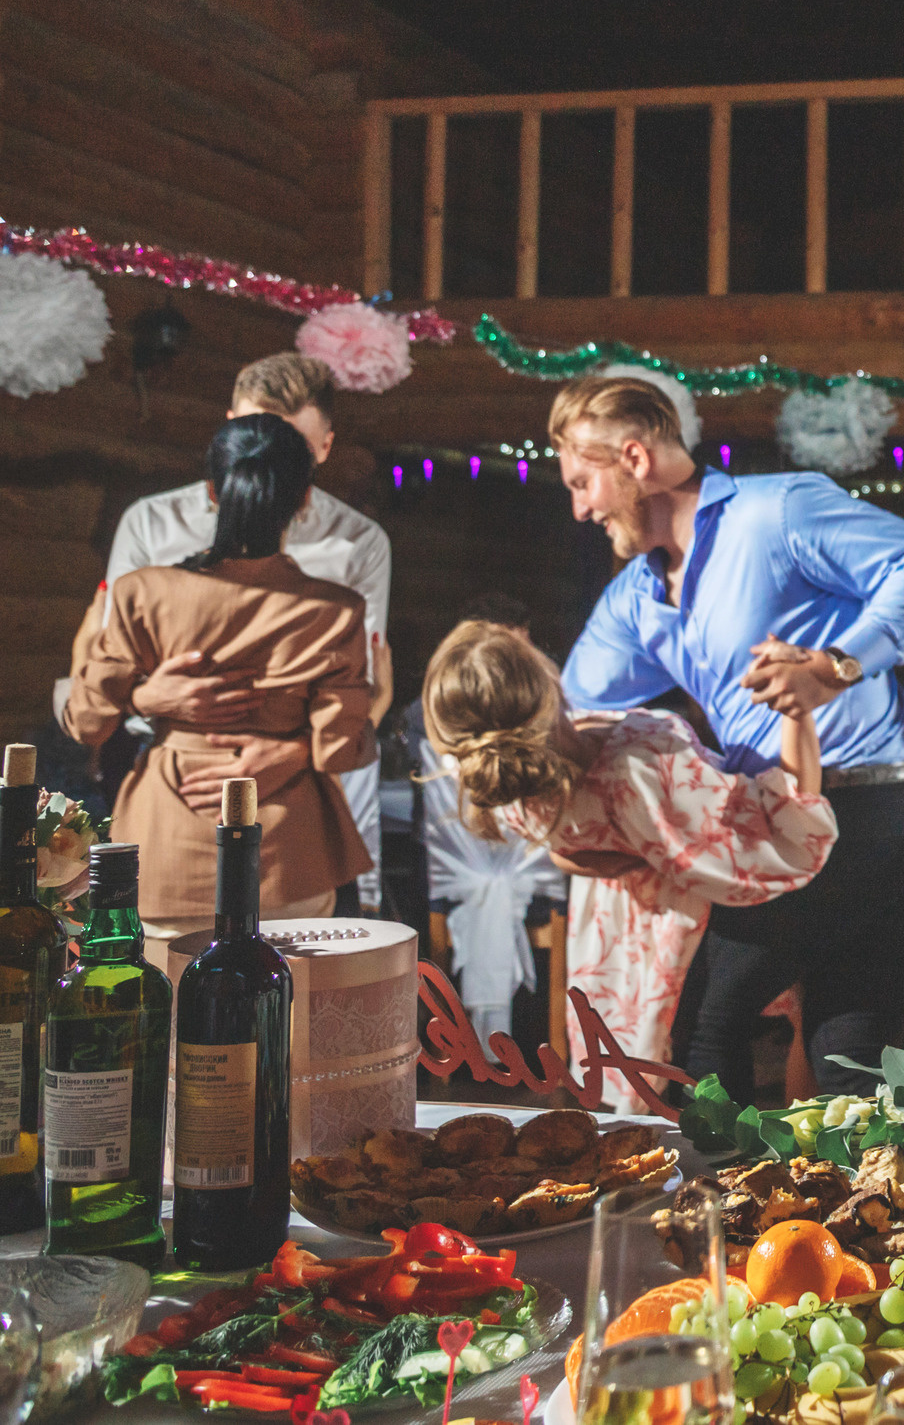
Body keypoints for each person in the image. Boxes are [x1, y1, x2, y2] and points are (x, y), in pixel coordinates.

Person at [547, 374, 904, 1096]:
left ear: (635, 459)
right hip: (795, 822)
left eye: (583, 483)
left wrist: (834, 668)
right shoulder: (635, 598)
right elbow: (567, 710)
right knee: (845, 1053)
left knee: (695, 1021)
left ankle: (708, 1174)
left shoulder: (775, 511)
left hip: (880, 811)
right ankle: (838, 1175)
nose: (580, 508)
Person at [423, 619, 833, 1113]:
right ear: (547, 683)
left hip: (618, 947)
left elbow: (567, 849)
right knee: (733, 1047)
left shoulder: (521, 782)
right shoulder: (636, 771)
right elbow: (785, 840)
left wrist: (594, 856)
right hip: (688, 936)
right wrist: (797, 710)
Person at [64, 414, 376, 967]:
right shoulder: (334, 611)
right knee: (290, 1014)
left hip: (165, 844)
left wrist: (142, 697)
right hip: (286, 851)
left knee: (168, 1010)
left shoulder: (140, 594)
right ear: (304, 499)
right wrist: (297, 749)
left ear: (212, 492)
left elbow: (87, 722)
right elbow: (340, 747)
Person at [78, 353, 393, 868]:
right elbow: (103, 664)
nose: (267, 453)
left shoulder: (358, 542)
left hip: (300, 782)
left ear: (324, 446)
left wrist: (296, 753)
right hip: (160, 765)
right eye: (254, 433)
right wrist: (142, 697)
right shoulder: (152, 523)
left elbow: (365, 683)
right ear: (227, 433)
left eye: (290, 443)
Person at [403, 593, 566, 1044]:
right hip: (542, 887)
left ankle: (444, 1043)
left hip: (452, 888)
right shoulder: (552, 715)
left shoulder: (430, 717)